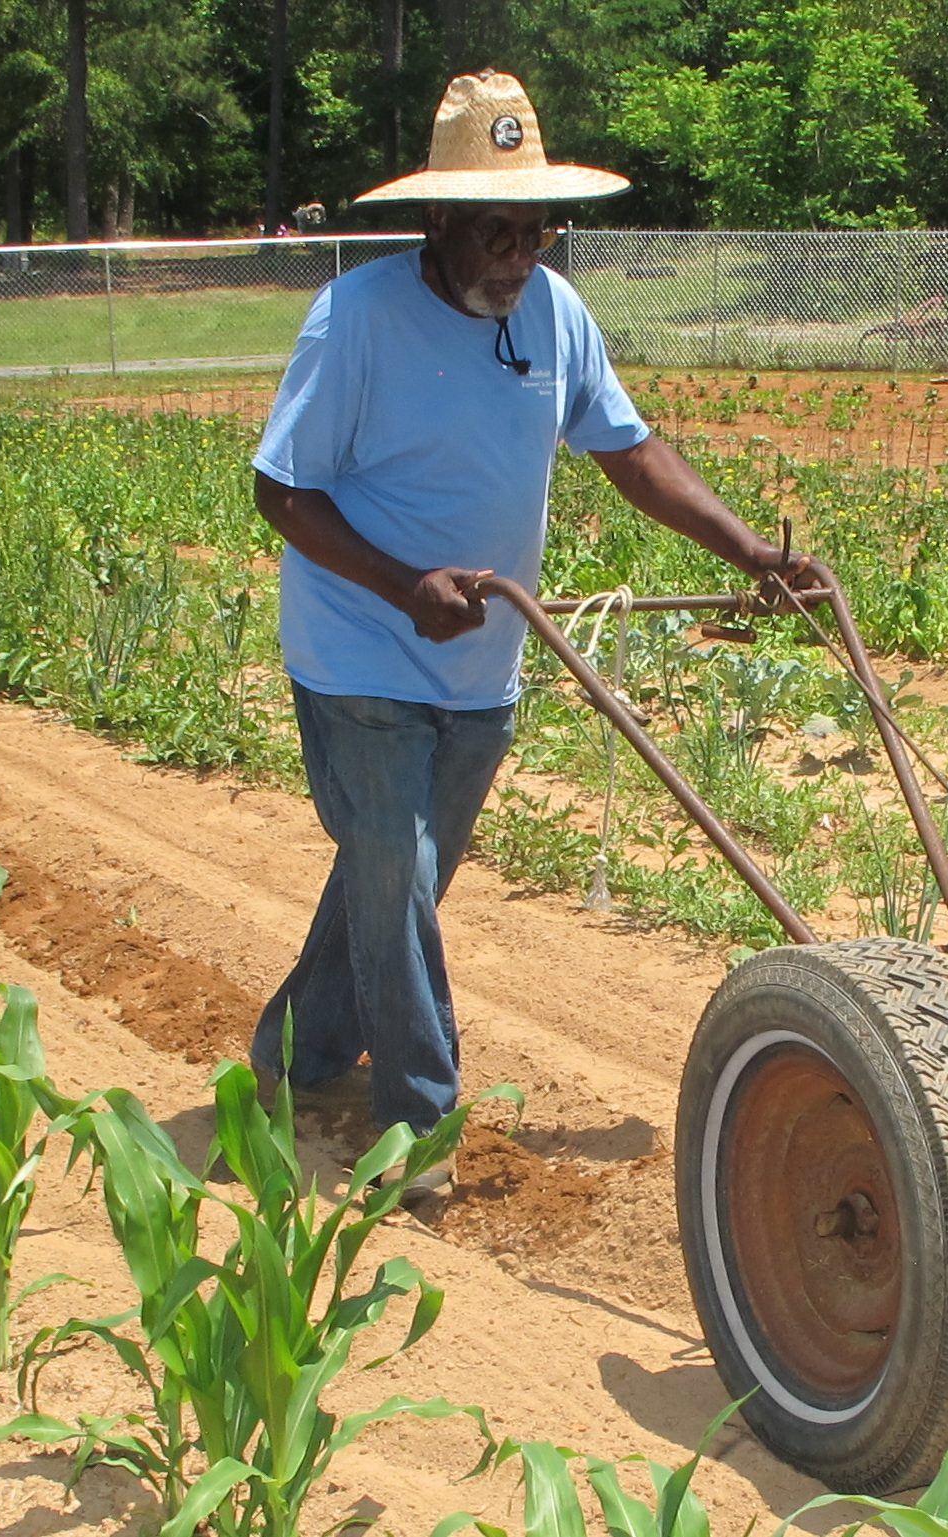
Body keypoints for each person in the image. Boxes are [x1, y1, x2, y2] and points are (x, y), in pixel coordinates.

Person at [248, 70, 826, 1198]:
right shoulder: (355, 318)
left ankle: (297, 1051)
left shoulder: (554, 314)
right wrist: (403, 585)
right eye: (495, 233)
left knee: (394, 882)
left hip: (482, 660)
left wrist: (752, 553)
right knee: (395, 872)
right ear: (437, 220)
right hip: (361, 649)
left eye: (535, 232)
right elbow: (282, 490)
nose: (518, 257)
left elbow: (629, 453)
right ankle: (418, 1127)